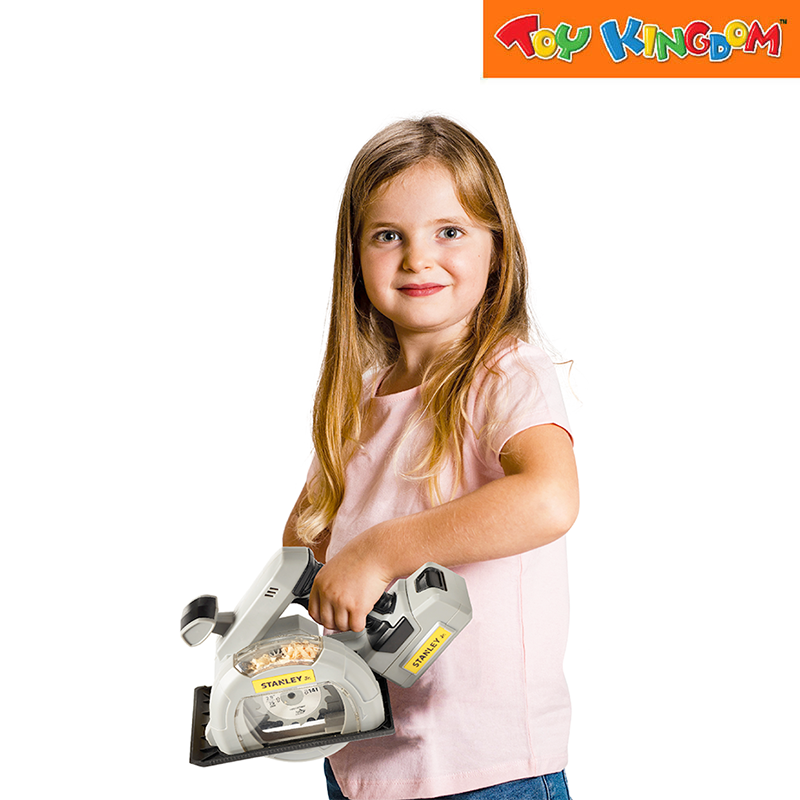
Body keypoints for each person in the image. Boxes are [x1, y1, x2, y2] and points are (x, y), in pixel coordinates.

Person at [282, 115, 578, 800]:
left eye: (450, 231)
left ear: (497, 250)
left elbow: (549, 498)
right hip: (364, 766)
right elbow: (307, 537)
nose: (418, 258)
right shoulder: (357, 401)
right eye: (389, 235)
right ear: (355, 256)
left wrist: (382, 550)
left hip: (486, 769)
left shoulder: (506, 374)